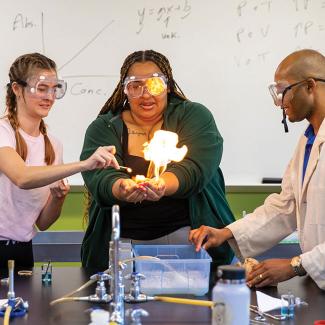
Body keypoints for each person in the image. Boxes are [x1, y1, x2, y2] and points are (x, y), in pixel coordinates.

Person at [80, 49, 235, 270]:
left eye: (154, 85)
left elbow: (196, 169)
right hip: (123, 247)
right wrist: (121, 187)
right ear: (125, 90)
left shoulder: (194, 116)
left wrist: (162, 184)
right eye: (135, 86)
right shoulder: (103, 127)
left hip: (190, 243)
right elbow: (99, 177)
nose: (145, 94)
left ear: (168, 86)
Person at [189, 49, 325, 290]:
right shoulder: (308, 142)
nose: (280, 102)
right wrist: (226, 233)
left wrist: (295, 265)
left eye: (284, 91)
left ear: (310, 86)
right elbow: (286, 205)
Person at [0, 53, 119, 268]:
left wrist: (58, 198)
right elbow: (22, 177)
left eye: (55, 89)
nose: (50, 97)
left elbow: (43, 223)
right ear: (17, 89)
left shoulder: (53, 146)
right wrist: (84, 164)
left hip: (22, 250)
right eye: (42, 88)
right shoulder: (3, 132)